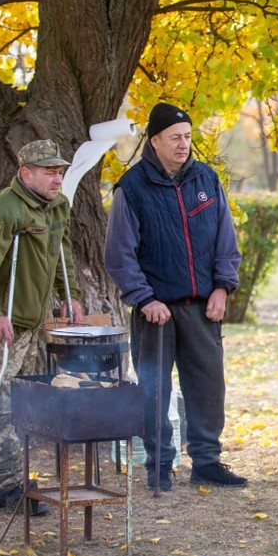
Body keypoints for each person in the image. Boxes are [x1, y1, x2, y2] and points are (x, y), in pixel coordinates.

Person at [105, 102, 245, 491]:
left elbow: (225, 241)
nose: (184, 145)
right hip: (156, 311)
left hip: (203, 308)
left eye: (187, 137)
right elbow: (119, 254)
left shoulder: (206, 179)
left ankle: (207, 462)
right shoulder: (131, 188)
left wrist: (222, 286)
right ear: (155, 141)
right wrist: (144, 298)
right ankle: (159, 465)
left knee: (208, 386)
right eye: (175, 138)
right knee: (154, 390)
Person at [0, 139, 85, 515]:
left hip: (37, 323)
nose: (57, 178)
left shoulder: (57, 207)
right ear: (25, 173)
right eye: (49, 172)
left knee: (29, 403)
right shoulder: (0, 209)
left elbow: (62, 251)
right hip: (7, 324)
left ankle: (14, 475)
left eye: (60, 171)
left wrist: (71, 294)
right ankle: (2, 481)